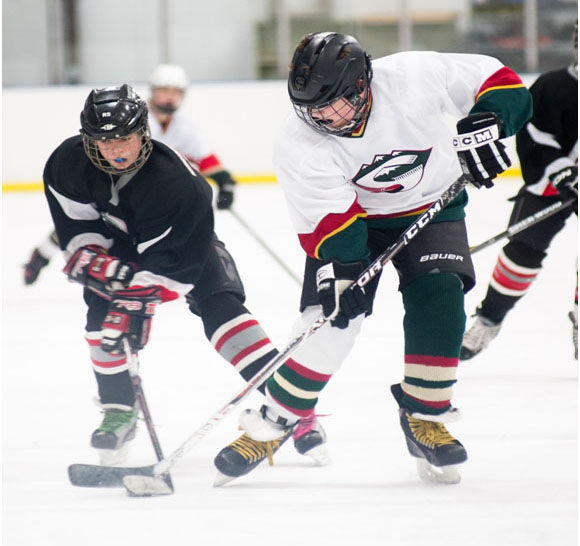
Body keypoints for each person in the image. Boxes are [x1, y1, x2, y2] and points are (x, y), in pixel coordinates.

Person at [213, 32, 532, 485]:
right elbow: (330, 221)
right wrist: (344, 275)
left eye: (333, 104)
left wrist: (490, 122)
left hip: (432, 205)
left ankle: (424, 416)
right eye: (311, 107)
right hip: (354, 222)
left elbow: (501, 81)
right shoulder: (298, 142)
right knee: (333, 318)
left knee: (440, 297)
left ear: (363, 84)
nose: (322, 116)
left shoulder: (414, 77)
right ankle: (277, 417)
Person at [44, 84, 324, 464]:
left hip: (184, 244)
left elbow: (176, 270)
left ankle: (294, 407)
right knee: (101, 326)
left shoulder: (178, 183)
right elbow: (77, 233)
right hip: (119, 247)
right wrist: (96, 265)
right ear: (87, 140)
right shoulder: (66, 165)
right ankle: (119, 410)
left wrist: (138, 300)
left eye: (125, 138)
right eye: (104, 142)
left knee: (224, 313)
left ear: (143, 133)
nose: (117, 150)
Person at [24, 63, 237, 285]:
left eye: (176, 93)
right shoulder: (132, 118)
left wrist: (225, 180)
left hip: (147, 192)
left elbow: (204, 158)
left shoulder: (184, 125)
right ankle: (41, 256)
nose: (169, 98)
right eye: (164, 91)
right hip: (109, 184)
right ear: (153, 91)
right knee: (83, 226)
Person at [460, 28, 578, 362]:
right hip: (552, 183)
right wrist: (561, 170)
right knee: (523, 248)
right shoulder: (553, 87)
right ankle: (488, 319)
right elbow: (535, 136)